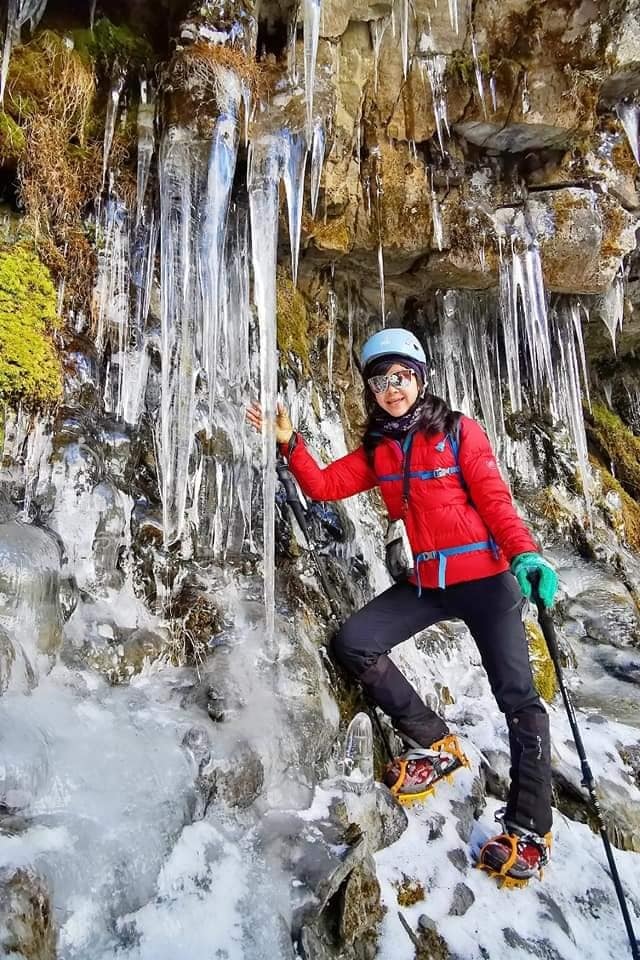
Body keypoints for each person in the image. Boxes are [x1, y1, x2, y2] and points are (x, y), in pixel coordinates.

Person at [246, 328, 558, 886]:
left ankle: (530, 829)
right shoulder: (380, 451)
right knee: (354, 642)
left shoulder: (459, 432)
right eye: (379, 380)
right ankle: (433, 739)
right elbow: (322, 487)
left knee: (519, 698)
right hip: (429, 582)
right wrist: (288, 443)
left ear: (419, 378)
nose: (390, 388)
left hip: (487, 581)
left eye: (400, 377)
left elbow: (494, 499)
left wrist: (526, 557)